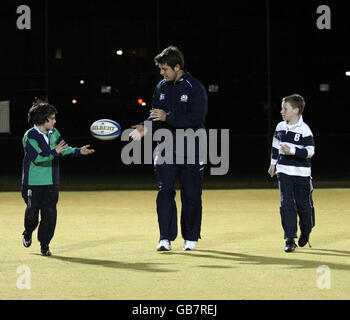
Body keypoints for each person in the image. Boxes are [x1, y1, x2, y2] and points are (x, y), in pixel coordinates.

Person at [129, 46, 208, 251]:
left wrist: (168, 117)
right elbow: (155, 115)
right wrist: (145, 128)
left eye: (165, 69)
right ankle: (165, 238)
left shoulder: (195, 87)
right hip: (165, 149)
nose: (162, 73)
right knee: (165, 192)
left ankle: (190, 238)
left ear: (177, 67)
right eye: (161, 69)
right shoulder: (161, 87)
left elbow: (195, 119)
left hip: (192, 148)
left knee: (191, 195)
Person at [21, 99, 95, 256]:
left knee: (50, 215)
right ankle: (28, 231)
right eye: (52, 118)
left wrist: (78, 151)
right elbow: (38, 158)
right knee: (32, 214)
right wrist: (55, 151)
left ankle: (44, 245)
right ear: (43, 119)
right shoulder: (30, 136)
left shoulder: (54, 133)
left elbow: (63, 148)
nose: (55, 121)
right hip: (32, 183)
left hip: (51, 182)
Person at [268, 94, 315, 252]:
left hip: (302, 174)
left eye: (285, 109)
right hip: (284, 172)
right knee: (286, 204)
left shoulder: (305, 130)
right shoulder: (280, 127)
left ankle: (306, 230)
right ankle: (289, 238)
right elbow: (275, 145)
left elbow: (310, 151)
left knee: (303, 206)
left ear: (295, 110)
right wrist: (273, 164)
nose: (282, 111)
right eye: (282, 108)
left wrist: (292, 150)